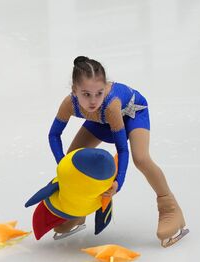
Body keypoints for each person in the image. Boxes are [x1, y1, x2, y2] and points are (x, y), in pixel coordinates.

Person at [47, 56, 188, 247]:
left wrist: (117, 182)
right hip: (102, 120)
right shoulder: (69, 104)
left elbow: (122, 149)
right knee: (75, 161)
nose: (93, 100)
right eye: (86, 94)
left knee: (141, 158)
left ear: (105, 88)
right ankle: (78, 211)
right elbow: (54, 135)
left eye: (99, 93)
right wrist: (64, 164)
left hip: (131, 114)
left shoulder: (110, 104)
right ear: (74, 91)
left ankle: (169, 207)